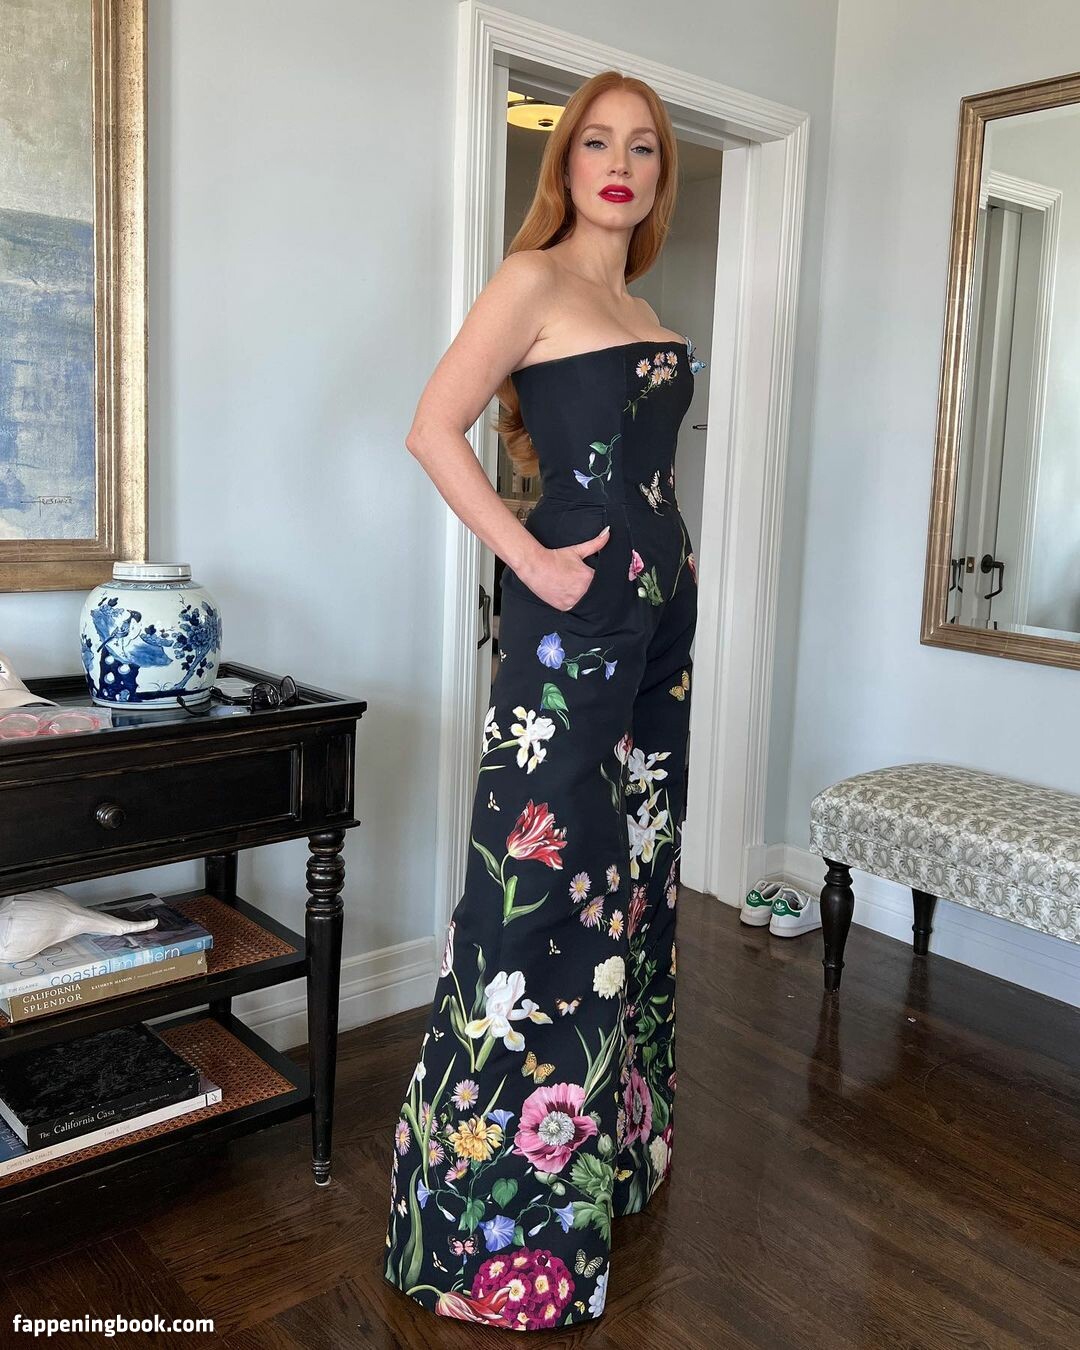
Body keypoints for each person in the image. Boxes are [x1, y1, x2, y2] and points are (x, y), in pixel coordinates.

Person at [383, 68, 704, 1331]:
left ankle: (601, 1156)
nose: (619, 165)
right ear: (563, 163)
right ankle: (481, 1231)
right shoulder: (532, 282)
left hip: (656, 633)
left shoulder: (643, 306)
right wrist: (531, 560)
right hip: (573, 630)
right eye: (596, 144)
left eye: (643, 148)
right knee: (533, 893)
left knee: (631, 880)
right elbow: (432, 427)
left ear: (659, 174)